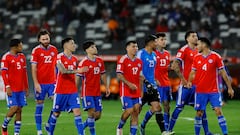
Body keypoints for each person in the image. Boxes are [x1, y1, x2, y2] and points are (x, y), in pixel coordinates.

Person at [187, 37, 234, 135]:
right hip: (200, 91)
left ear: (204, 45)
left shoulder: (216, 56)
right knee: (199, 113)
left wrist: (230, 87)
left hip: (213, 91)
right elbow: (192, 72)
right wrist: (189, 81)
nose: (197, 46)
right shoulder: (196, 57)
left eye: (198, 44)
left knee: (218, 111)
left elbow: (223, 73)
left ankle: (225, 133)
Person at [168, 31, 211, 135]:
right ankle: (168, 131)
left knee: (201, 109)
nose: (196, 37)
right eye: (193, 36)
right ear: (187, 39)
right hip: (186, 86)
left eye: (196, 35)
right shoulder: (183, 50)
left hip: (198, 86)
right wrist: (183, 80)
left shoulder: (199, 50)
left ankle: (207, 132)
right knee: (179, 107)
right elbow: (174, 65)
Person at [45, 37, 88, 135]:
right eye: (72, 43)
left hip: (72, 91)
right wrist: (78, 70)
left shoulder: (74, 59)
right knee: (56, 113)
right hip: (60, 90)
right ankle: (50, 133)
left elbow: (76, 73)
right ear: (66, 45)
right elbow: (63, 71)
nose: (74, 45)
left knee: (77, 112)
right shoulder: (59, 57)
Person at [77, 41, 110, 135]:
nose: (95, 48)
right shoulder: (83, 62)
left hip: (97, 92)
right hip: (87, 92)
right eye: (92, 47)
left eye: (95, 46)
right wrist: (75, 91)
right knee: (91, 114)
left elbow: (103, 74)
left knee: (98, 115)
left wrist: (106, 86)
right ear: (87, 50)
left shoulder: (100, 61)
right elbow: (78, 77)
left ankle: (82, 126)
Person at [137, 35, 166, 135]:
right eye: (155, 42)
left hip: (152, 86)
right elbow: (138, 70)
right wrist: (145, 82)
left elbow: (151, 71)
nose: (156, 43)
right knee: (136, 111)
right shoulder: (140, 53)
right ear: (149, 43)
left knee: (157, 107)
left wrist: (154, 79)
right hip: (141, 87)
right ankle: (130, 129)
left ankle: (163, 131)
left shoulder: (154, 55)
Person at [31, 29, 58, 135]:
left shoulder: (54, 50)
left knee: (57, 105)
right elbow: (33, 68)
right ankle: (39, 131)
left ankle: (48, 124)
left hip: (52, 82)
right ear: (39, 40)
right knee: (39, 104)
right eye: (43, 39)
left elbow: (56, 66)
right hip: (41, 83)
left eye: (47, 38)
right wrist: (36, 83)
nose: (46, 40)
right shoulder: (36, 51)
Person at [1, 39, 29, 135]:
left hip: (21, 89)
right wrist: (7, 86)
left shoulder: (22, 57)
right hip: (12, 89)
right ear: (14, 47)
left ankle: (16, 133)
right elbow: (3, 73)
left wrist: (26, 87)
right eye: (20, 46)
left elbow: (24, 73)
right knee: (14, 108)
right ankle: (4, 126)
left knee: (19, 110)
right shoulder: (6, 57)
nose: (22, 48)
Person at [116, 41, 143, 135]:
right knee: (129, 110)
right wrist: (129, 84)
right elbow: (119, 75)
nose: (135, 48)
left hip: (136, 91)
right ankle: (119, 127)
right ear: (127, 48)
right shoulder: (122, 59)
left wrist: (141, 91)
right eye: (133, 46)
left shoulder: (139, 61)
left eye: (136, 46)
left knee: (136, 112)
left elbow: (140, 77)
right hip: (126, 90)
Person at [154, 33, 172, 130]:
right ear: (156, 41)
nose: (164, 41)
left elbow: (165, 67)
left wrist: (170, 67)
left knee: (167, 106)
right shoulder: (152, 54)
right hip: (157, 84)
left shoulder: (167, 54)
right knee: (155, 107)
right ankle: (143, 124)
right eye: (162, 39)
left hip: (166, 83)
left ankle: (167, 128)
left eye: (165, 39)